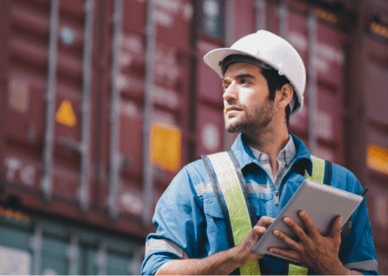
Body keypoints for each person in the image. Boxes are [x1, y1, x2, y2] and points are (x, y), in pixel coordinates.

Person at [141, 30, 378, 276]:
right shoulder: (197, 180)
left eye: (244, 81)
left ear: (283, 95)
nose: (228, 94)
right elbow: (156, 271)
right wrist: (236, 256)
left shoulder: (341, 184)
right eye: (226, 84)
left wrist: (331, 268)